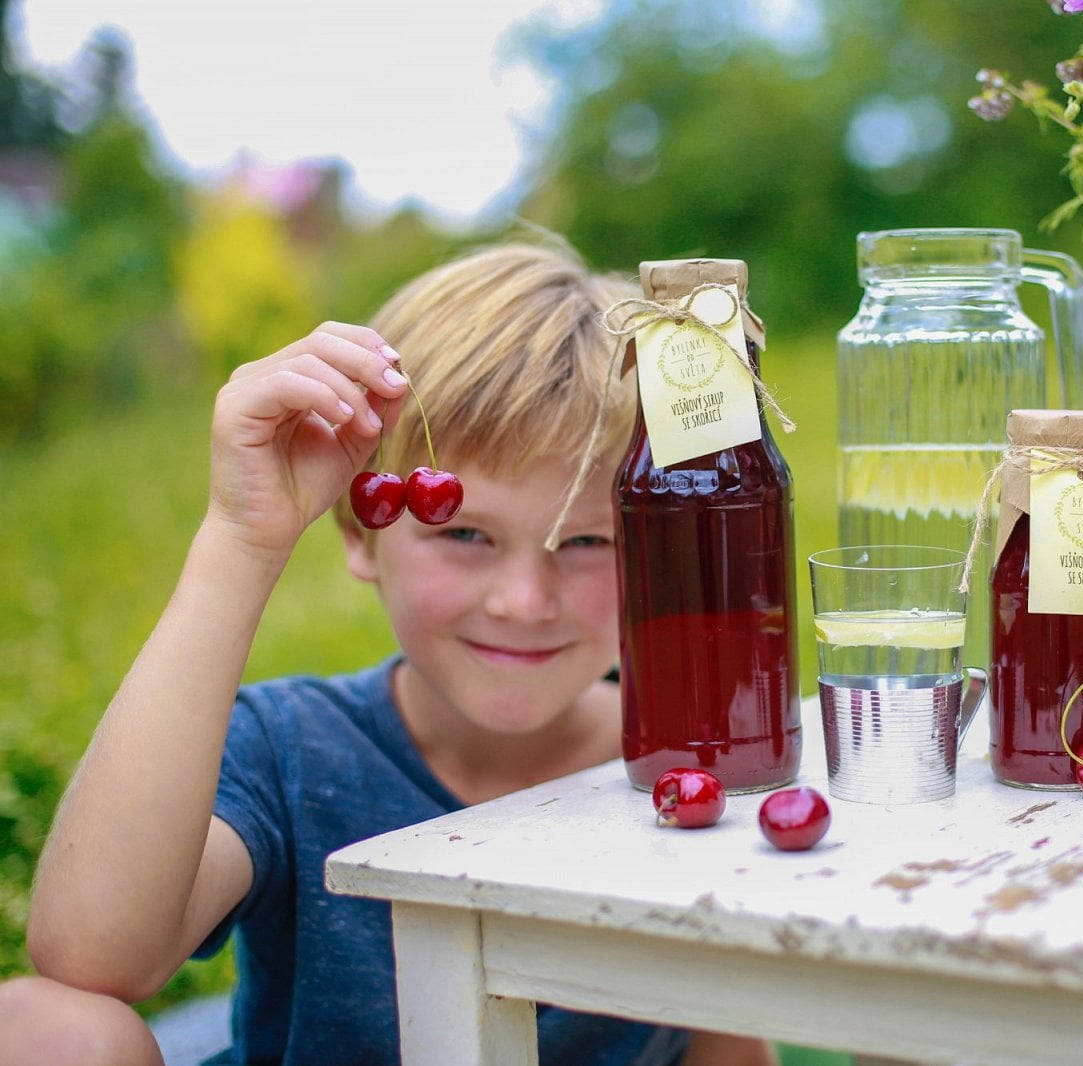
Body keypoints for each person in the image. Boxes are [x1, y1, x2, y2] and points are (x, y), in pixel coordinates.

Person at [0, 241, 777, 1066]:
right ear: (361, 532)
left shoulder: (697, 763)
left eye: (586, 540)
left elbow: (723, 1042)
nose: (522, 601)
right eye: (464, 533)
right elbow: (93, 955)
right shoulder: (292, 748)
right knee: (48, 1029)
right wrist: (241, 539)